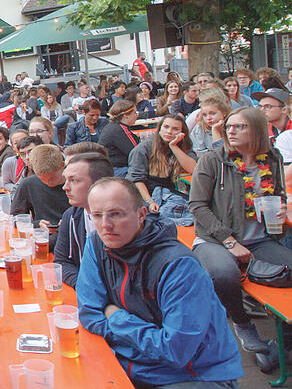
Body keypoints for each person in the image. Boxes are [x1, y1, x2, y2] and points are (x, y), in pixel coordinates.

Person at [78, 178, 243, 387]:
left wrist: (117, 317)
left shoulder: (178, 266)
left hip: (193, 376)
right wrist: (142, 340)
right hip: (130, 367)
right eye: (97, 216)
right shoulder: (96, 244)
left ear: (141, 215)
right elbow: (89, 314)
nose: (105, 225)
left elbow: (175, 352)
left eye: (116, 214)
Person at [189, 106, 291, 353]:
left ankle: (286, 339)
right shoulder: (214, 160)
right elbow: (197, 206)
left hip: (260, 239)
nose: (231, 131)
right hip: (215, 239)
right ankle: (243, 323)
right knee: (223, 273)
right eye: (229, 126)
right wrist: (230, 242)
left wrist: (283, 207)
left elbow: (277, 194)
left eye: (239, 126)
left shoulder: (273, 158)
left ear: (256, 130)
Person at [54, 153, 114, 287]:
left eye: (74, 180)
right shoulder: (71, 216)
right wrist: (85, 287)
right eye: (65, 180)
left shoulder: (125, 222)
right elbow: (62, 262)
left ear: (99, 183)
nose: (65, 187)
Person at [128, 114, 197, 223]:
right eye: (166, 127)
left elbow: (193, 169)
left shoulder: (182, 146)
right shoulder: (144, 148)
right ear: (159, 128)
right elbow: (136, 180)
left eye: (175, 129)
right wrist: (150, 202)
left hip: (168, 192)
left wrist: (173, 146)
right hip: (146, 194)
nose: (169, 131)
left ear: (182, 133)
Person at [11, 145, 70, 247]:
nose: (48, 182)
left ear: (62, 166)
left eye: (52, 178)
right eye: (42, 179)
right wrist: (37, 224)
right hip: (42, 238)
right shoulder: (28, 184)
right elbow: (15, 218)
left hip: (68, 238)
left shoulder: (74, 185)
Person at [98, 100, 140, 177]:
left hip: (108, 168)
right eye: (135, 113)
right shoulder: (120, 130)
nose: (137, 115)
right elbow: (136, 152)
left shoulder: (113, 126)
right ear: (126, 115)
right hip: (117, 170)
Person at [189, 89, 230, 155]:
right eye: (205, 115)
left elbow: (223, 155)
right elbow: (198, 152)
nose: (209, 118)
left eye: (213, 113)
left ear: (223, 112)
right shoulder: (199, 128)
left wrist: (216, 131)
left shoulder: (232, 125)